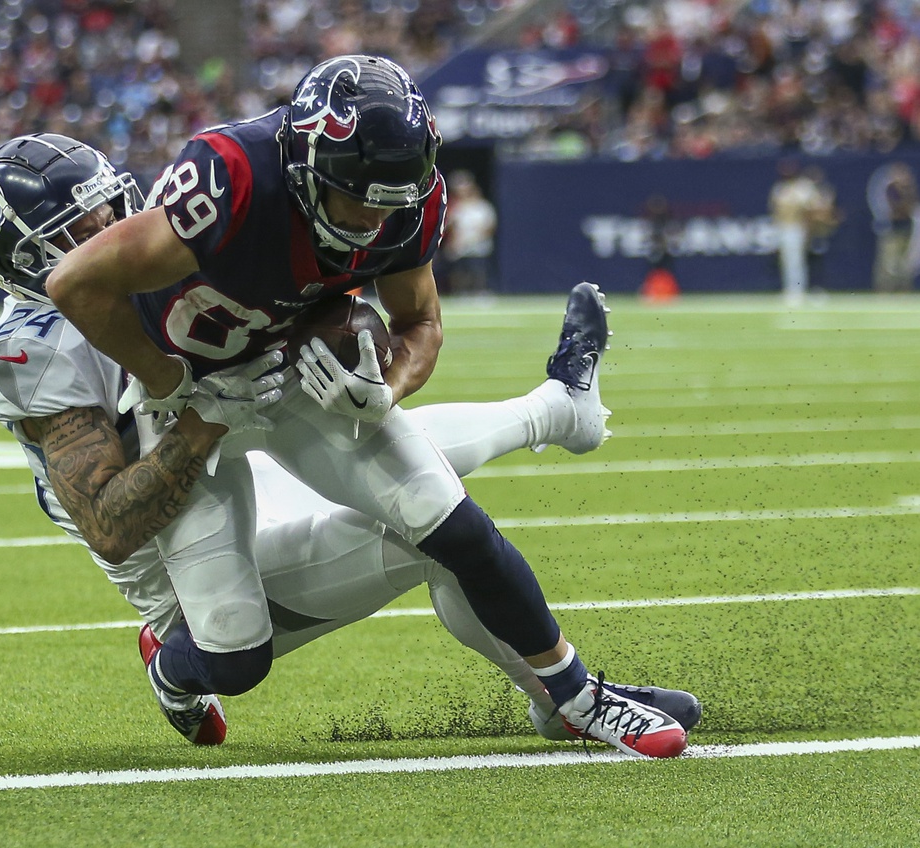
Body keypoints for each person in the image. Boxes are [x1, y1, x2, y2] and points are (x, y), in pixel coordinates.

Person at [45, 56, 695, 759]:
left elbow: (420, 325)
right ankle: (174, 666)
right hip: (185, 413)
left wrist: (389, 389)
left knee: (452, 526)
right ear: (303, 164)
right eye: (355, 197)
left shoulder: (406, 202)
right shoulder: (230, 178)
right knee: (234, 656)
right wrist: (167, 380)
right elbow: (74, 281)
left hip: (291, 372)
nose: (372, 217)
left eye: (391, 201)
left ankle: (576, 699)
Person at [768, 157, 825, 305]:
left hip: (798, 227)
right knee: (787, 261)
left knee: (797, 261)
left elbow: (812, 209)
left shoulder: (803, 188)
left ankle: (798, 291)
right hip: (783, 227)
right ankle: (791, 290)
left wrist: (809, 228)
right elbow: (775, 210)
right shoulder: (779, 188)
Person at [442, 170, 497, 296]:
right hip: (460, 245)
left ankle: (479, 292)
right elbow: (450, 227)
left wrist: (475, 238)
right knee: (460, 271)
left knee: (478, 269)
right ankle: (461, 292)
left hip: (478, 244)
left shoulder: (482, 207)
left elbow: (489, 226)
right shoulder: (456, 207)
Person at [869, 162, 920, 293]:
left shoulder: (909, 189)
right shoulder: (891, 189)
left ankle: (903, 290)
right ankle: (885, 291)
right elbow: (896, 208)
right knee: (889, 262)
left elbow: (911, 207)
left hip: (906, 228)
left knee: (906, 262)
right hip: (892, 228)